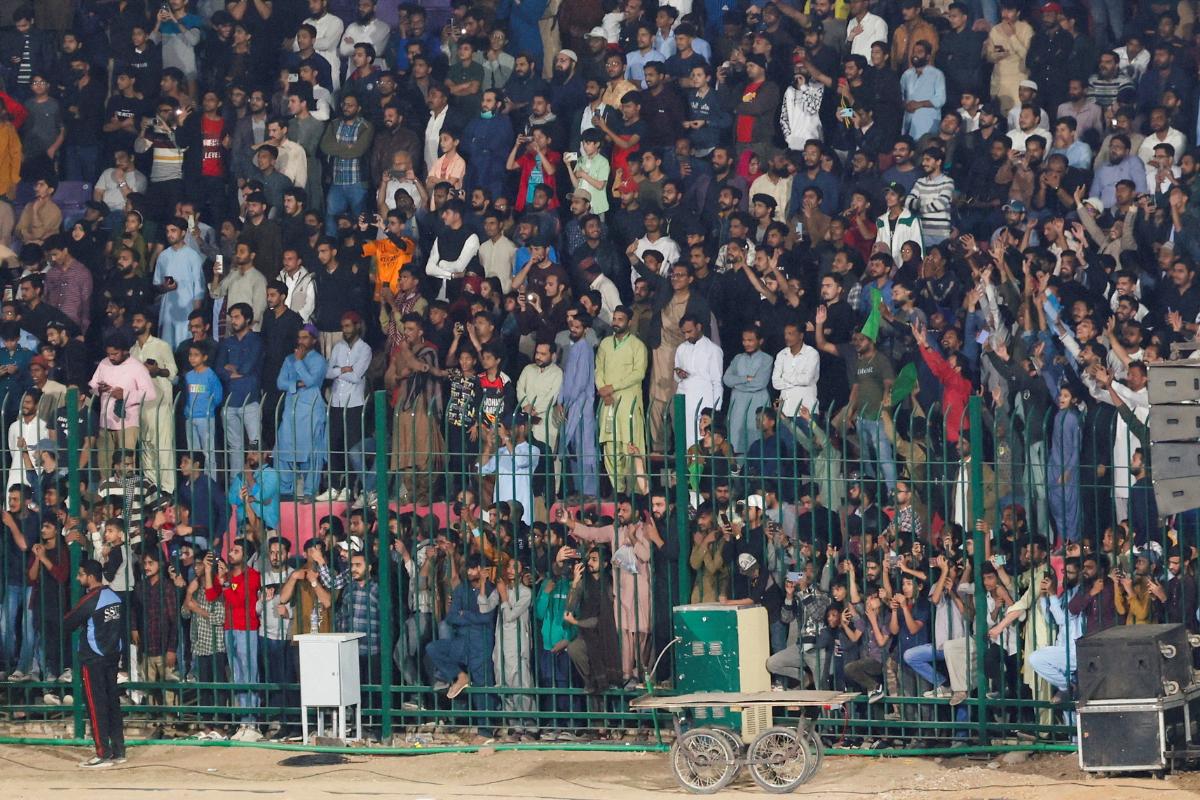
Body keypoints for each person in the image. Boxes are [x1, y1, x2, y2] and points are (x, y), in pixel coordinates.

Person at [63, 559, 125, 767]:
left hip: (93, 658)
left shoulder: (90, 600)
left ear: (90, 576)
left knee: (96, 705)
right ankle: (118, 750)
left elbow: (68, 623)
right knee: (112, 703)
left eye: (81, 574)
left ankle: (102, 753)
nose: (79, 578)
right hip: (112, 655)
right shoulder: (115, 597)